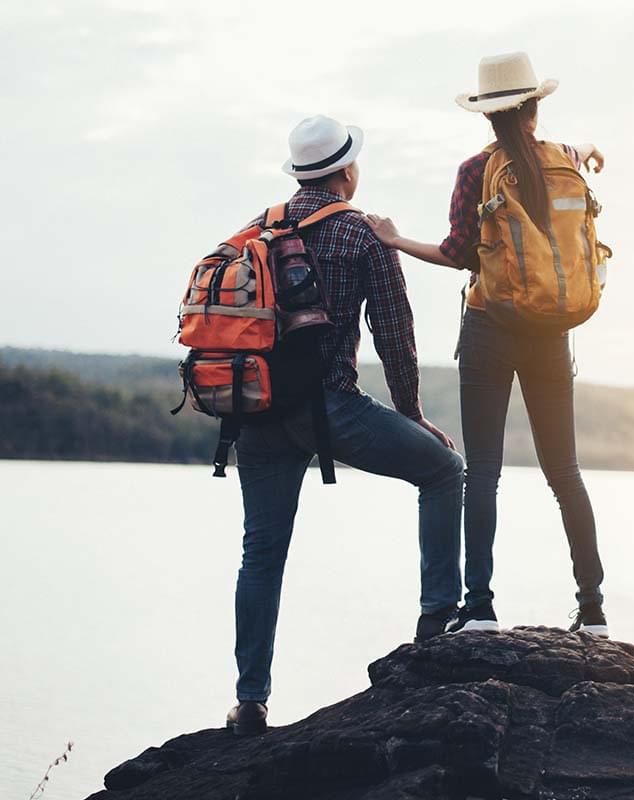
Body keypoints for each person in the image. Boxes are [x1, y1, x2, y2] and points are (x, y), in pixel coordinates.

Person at [226, 115, 465, 736]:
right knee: (444, 471)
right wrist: (411, 413)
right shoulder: (361, 235)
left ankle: (250, 700)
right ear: (346, 172)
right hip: (331, 408)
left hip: (257, 413)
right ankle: (438, 623)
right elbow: (395, 335)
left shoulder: (263, 225)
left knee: (261, 555)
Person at [366, 52, 608, 639]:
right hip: (552, 331)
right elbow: (581, 152)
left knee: (484, 472)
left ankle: (479, 608)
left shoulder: (476, 171)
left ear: (487, 115)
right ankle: (594, 610)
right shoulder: (564, 161)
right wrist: (591, 147)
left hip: (490, 328)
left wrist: (395, 239)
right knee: (565, 471)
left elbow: (458, 255)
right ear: (535, 106)